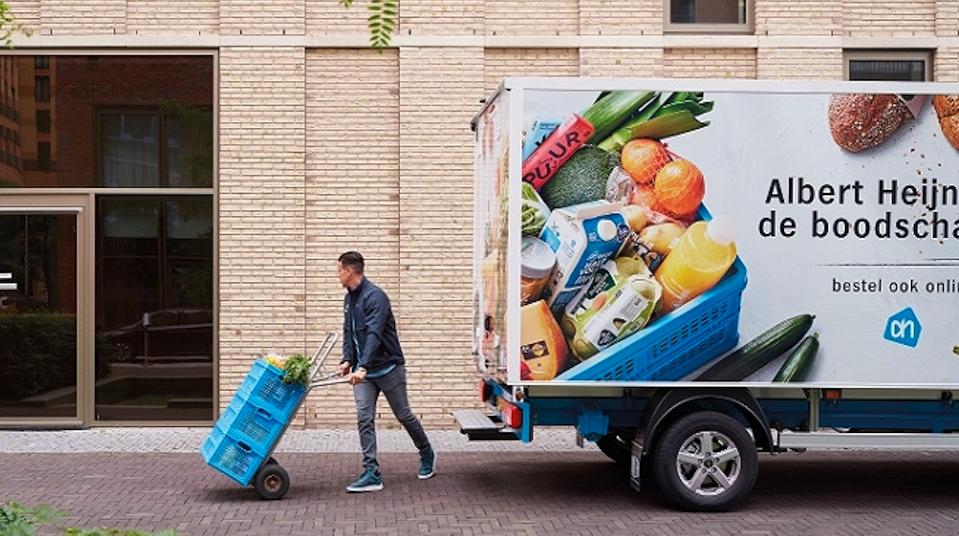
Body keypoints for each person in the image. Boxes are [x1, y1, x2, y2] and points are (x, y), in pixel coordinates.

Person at [336, 251, 436, 493]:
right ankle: (372, 472)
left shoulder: (376, 297)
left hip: (388, 368)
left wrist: (363, 366)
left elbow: (374, 334)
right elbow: (349, 332)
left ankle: (427, 453)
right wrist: (347, 359)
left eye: (339, 270)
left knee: (404, 415)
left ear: (350, 271)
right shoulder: (349, 299)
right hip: (364, 373)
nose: (337, 274)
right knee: (364, 418)